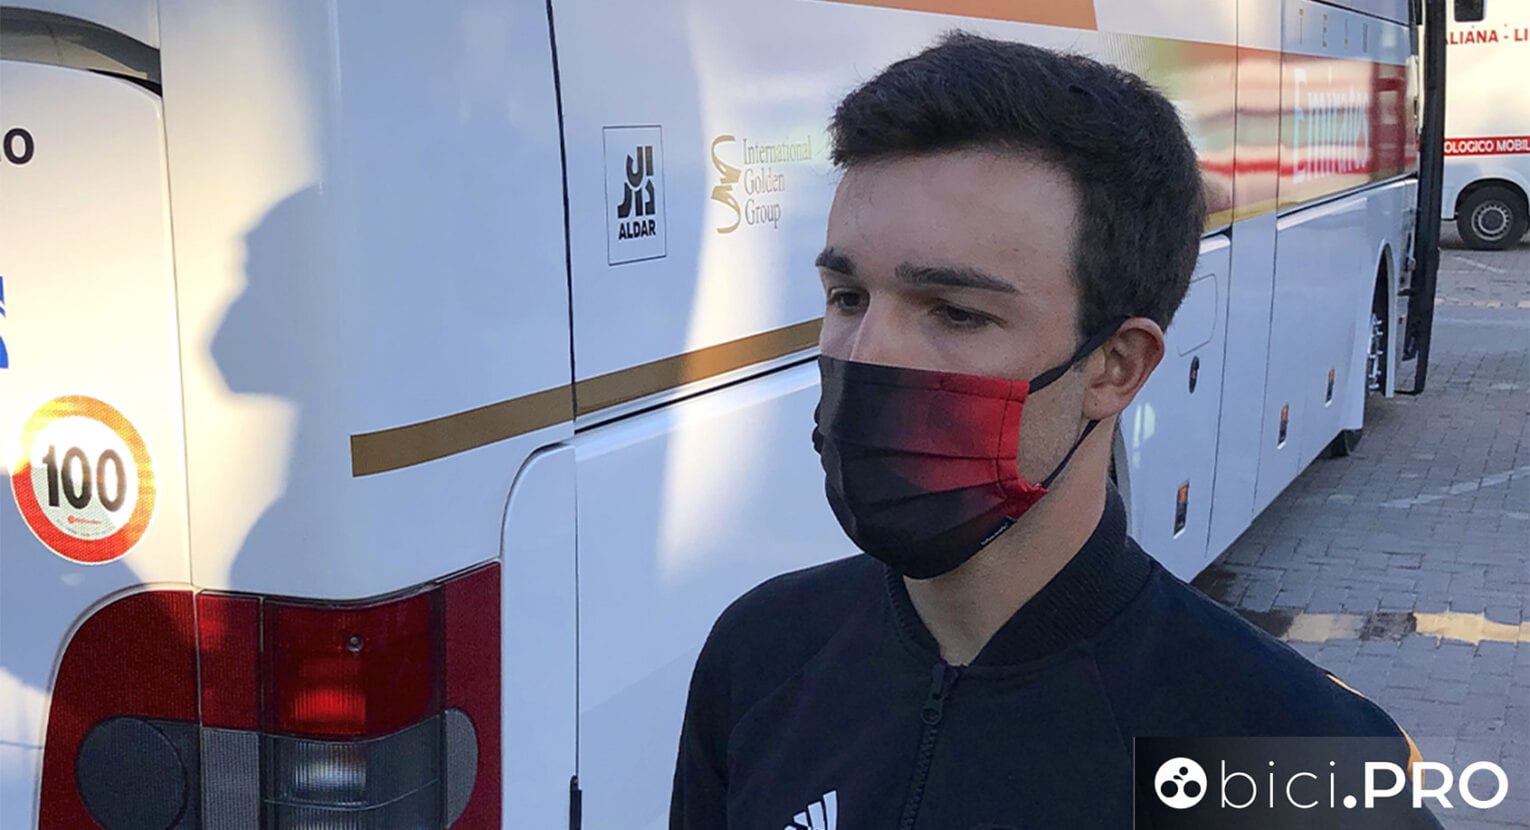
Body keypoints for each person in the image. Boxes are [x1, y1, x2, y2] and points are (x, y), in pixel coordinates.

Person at [670, 32, 1438, 829]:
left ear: (1115, 367)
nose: (866, 358)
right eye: (848, 297)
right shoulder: (760, 654)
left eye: (957, 313)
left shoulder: (1290, 758)